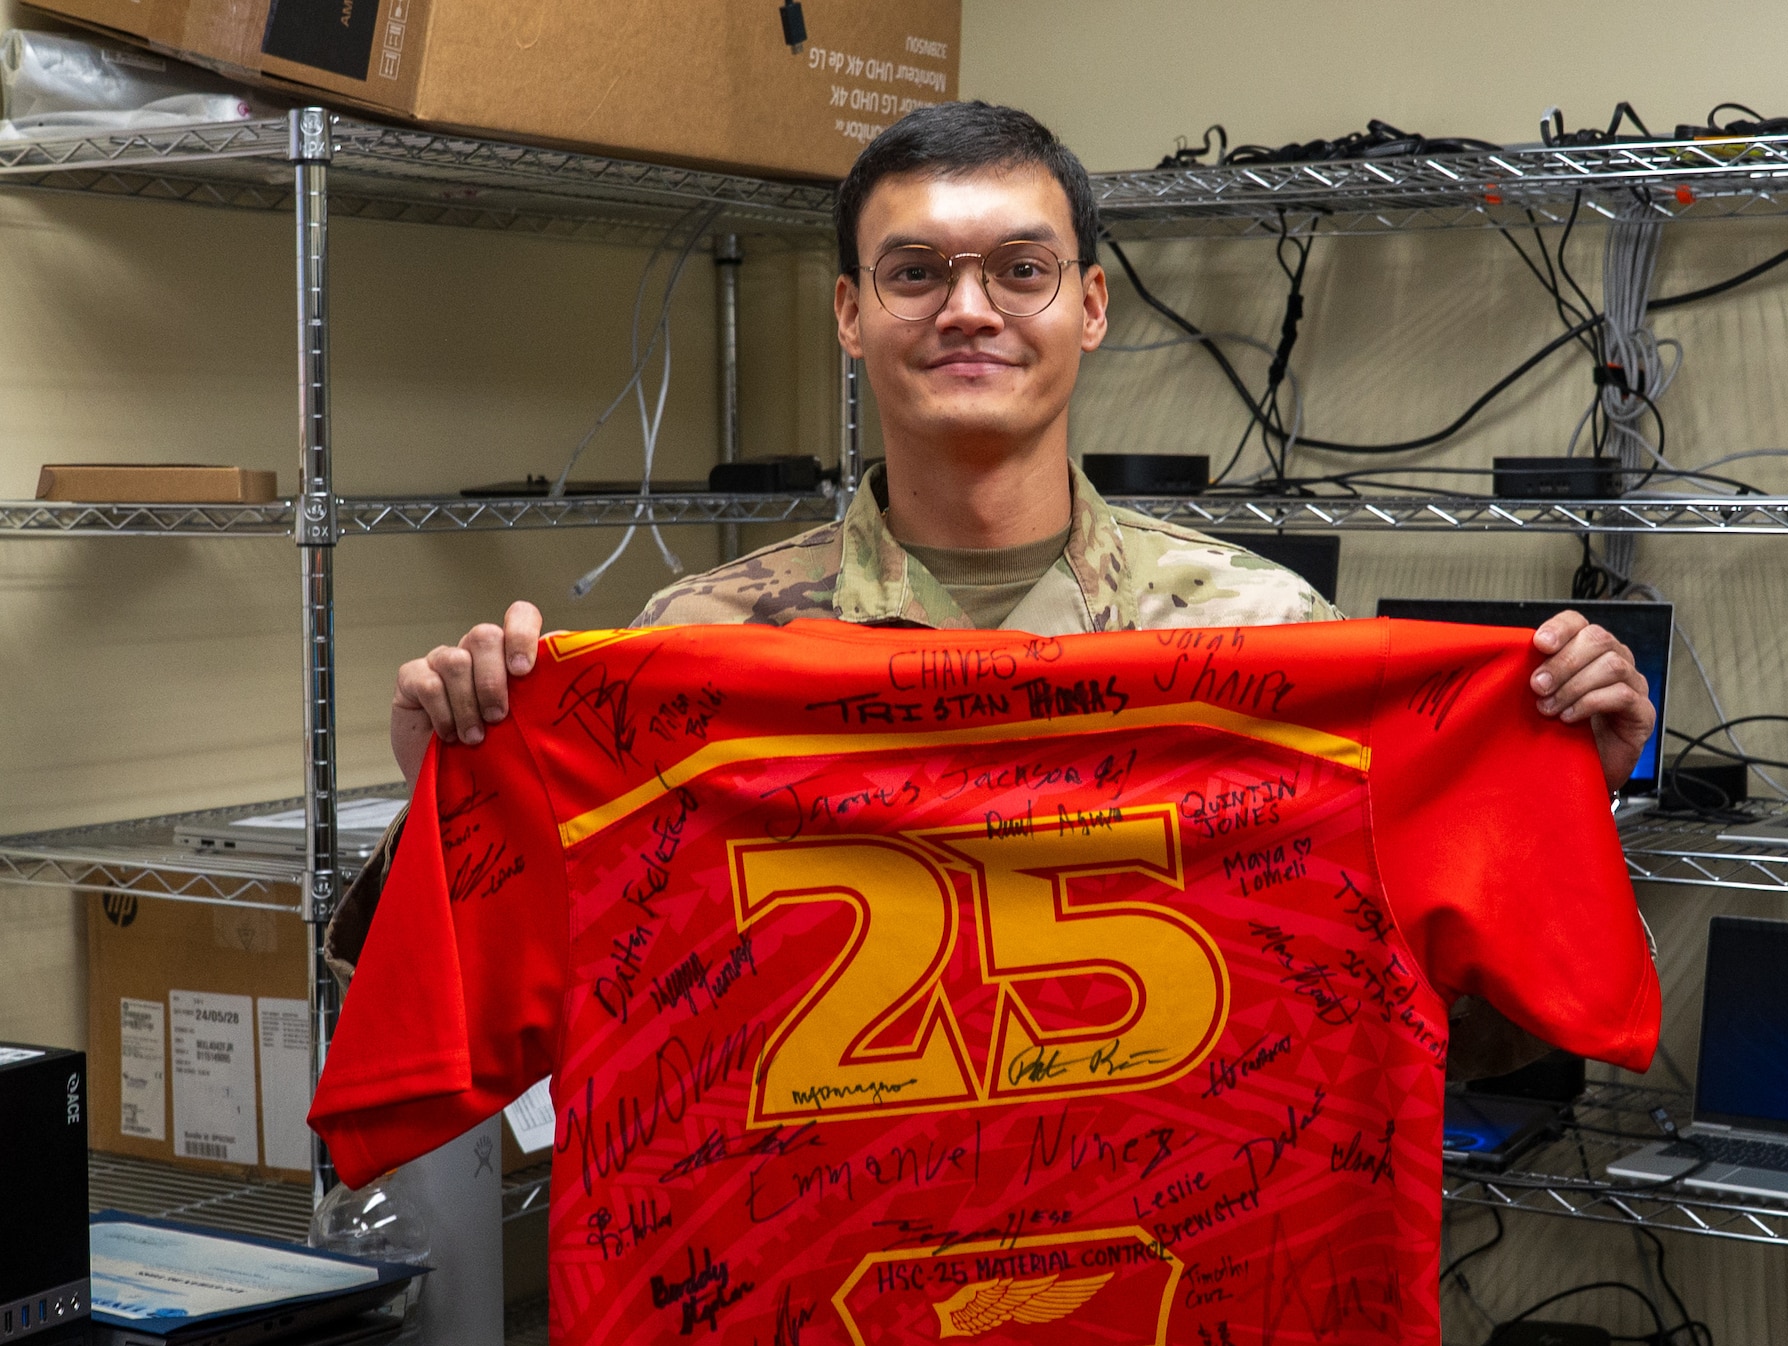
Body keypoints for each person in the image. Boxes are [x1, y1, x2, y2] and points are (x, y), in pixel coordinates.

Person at [362, 101, 1655, 1076]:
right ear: (851, 316)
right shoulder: (694, 651)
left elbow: (1454, 1033)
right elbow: (526, 1031)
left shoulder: (1261, 635)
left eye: (1020, 272)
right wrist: (452, 805)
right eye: (915, 273)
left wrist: (1553, 797)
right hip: (830, 1319)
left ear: (1089, 307)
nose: (968, 309)